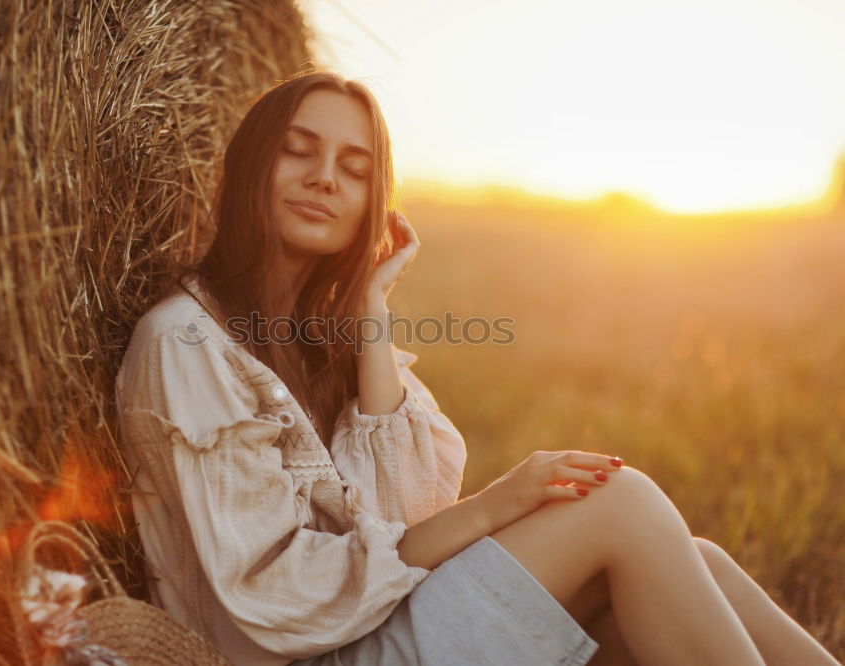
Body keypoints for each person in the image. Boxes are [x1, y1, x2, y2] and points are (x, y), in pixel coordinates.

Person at [114, 70, 840, 666]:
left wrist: (369, 311)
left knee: (695, 561)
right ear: (251, 163)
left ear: (374, 200)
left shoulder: (312, 341)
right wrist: (497, 503)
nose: (325, 179)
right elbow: (272, 594)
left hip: (363, 631)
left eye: (354, 168)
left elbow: (408, 516)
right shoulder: (184, 342)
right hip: (307, 657)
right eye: (298, 150)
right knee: (622, 504)